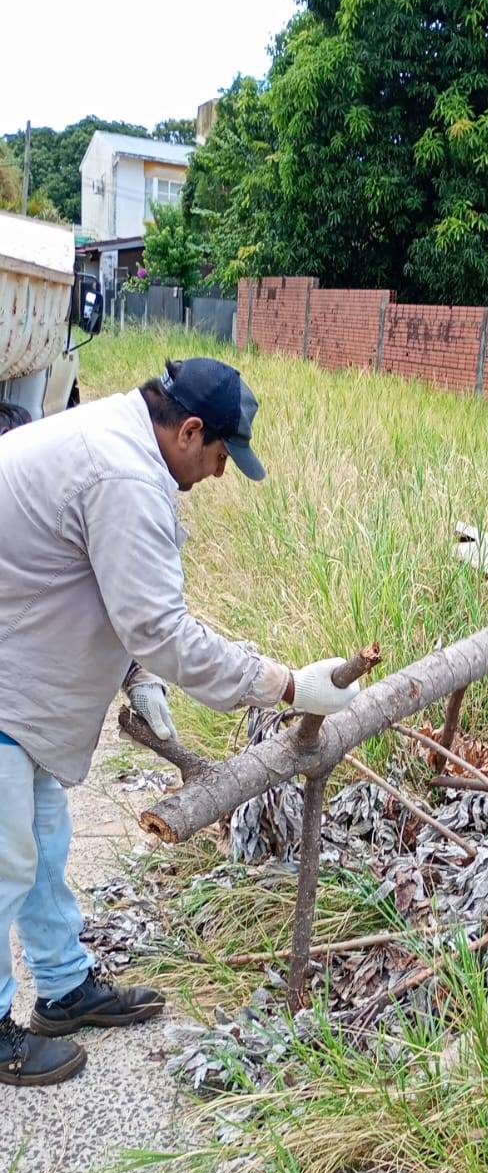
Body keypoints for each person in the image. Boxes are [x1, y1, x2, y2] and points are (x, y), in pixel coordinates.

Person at [0, 357, 360, 1088]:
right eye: (222, 455)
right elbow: (161, 627)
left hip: (19, 672)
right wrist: (288, 685)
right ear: (190, 430)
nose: (220, 472)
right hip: (8, 682)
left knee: (41, 840)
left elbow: (86, 577)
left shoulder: (118, 438)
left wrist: (136, 673)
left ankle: (63, 987)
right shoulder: (125, 475)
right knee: (4, 859)